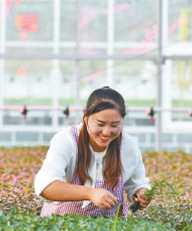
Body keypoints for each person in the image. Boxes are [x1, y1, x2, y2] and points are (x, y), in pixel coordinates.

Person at [34, 86, 150, 218]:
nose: (106, 132)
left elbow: (136, 184)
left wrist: (140, 193)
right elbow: (45, 186)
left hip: (108, 227)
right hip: (62, 224)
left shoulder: (128, 145)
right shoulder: (68, 140)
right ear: (86, 117)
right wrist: (90, 193)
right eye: (100, 124)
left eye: (114, 125)